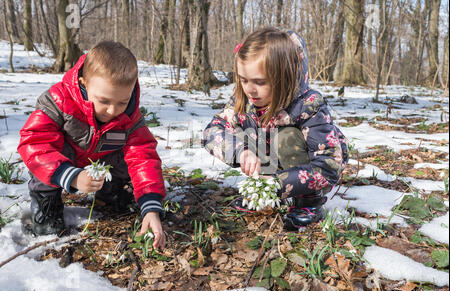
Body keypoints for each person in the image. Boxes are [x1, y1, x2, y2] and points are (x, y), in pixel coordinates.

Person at [17, 41, 166, 250]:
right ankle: (47, 204)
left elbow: (144, 157)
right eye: (104, 101)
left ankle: (111, 191)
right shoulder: (59, 101)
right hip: (63, 162)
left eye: (122, 102)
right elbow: (34, 141)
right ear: (84, 83)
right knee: (45, 156)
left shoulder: (130, 117)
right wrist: (73, 176)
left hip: (102, 162)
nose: (113, 110)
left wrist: (151, 207)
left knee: (132, 153)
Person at [202, 27, 349, 230]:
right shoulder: (245, 101)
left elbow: (328, 166)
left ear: (284, 77)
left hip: (308, 171)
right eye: (243, 80)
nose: (250, 89)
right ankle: (265, 196)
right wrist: (241, 151)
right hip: (272, 174)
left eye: (260, 82)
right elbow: (212, 132)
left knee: (286, 137)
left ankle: (308, 203)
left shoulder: (308, 106)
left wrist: (278, 183)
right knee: (252, 136)